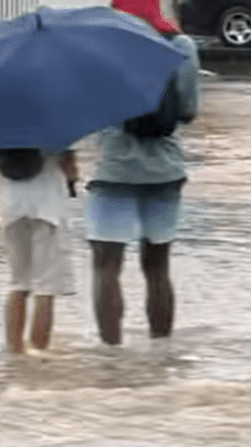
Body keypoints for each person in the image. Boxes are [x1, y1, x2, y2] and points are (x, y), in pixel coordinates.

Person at [85, 0, 200, 346]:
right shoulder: (180, 46)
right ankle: (161, 354)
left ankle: (111, 358)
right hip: (165, 170)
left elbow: (88, 111)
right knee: (157, 268)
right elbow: (190, 111)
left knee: (106, 267)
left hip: (113, 169)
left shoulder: (101, 50)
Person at [0, 148, 80, 354]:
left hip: (11, 206)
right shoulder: (55, 120)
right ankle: (38, 356)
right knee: (45, 289)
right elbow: (70, 169)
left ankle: (15, 352)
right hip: (47, 207)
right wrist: (72, 175)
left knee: (19, 283)